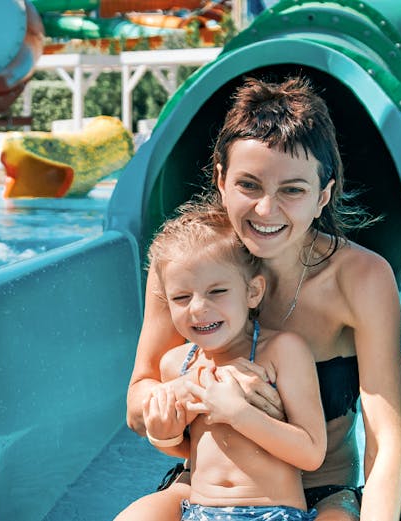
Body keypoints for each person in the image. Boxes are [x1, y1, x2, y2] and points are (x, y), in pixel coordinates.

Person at [120, 76, 401, 521]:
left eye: (292, 190)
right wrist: (186, 393)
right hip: (205, 491)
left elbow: (386, 441)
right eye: (249, 185)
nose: (266, 210)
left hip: (323, 491)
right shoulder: (188, 267)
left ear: (322, 195)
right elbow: (139, 399)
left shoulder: (360, 279)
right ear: (221, 179)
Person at [140, 205, 327, 520]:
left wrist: (237, 413)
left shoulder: (281, 351)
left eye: (217, 291)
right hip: (198, 511)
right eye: (182, 298)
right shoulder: (177, 365)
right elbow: (191, 452)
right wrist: (163, 435)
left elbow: (310, 453)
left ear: (252, 292)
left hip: (272, 513)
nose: (198, 309)